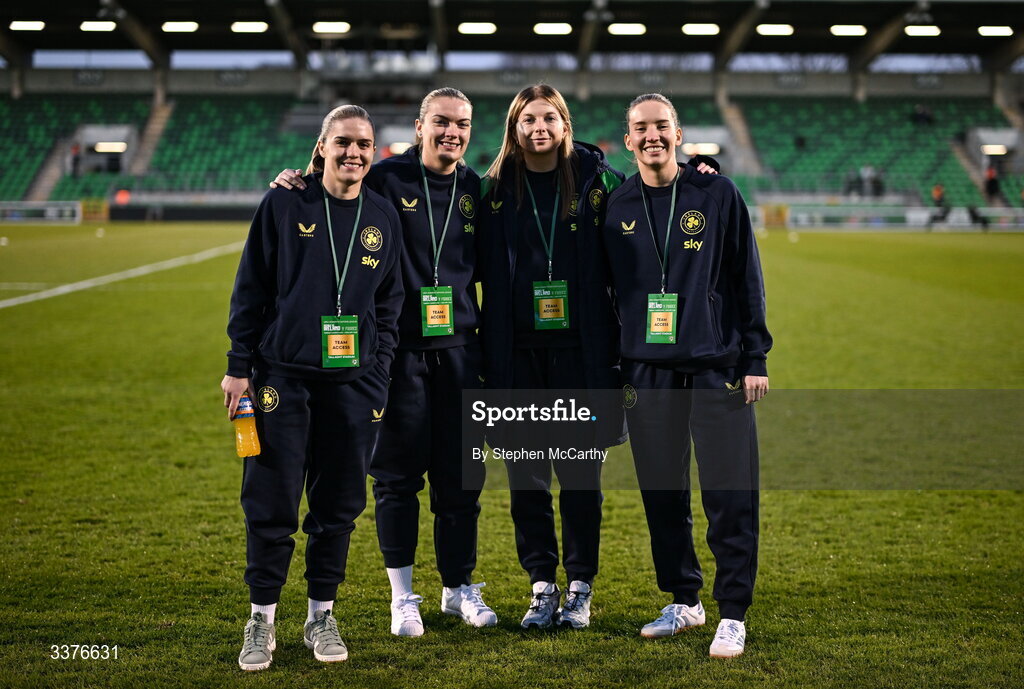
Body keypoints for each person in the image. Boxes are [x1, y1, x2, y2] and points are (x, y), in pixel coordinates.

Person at [271, 88, 496, 638]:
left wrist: (698, 166)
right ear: (420, 126)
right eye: (441, 122)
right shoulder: (385, 176)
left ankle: (457, 587)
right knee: (397, 479)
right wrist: (296, 175)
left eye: (462, 124)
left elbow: (572, 158)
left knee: (462, 479)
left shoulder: (478, 189)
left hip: (462, 354)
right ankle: (403, 597)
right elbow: (334, 180)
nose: (452, 133)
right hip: (398, 355)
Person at [222, 105, 403, 671]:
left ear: (374, 153)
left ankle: (320, 615)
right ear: (322, 146)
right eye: (343, 142)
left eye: (364, 144)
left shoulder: (382, 215)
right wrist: (237, 366)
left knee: (339, 506)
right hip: (283, 379)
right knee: (271, 502)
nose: (354, 153)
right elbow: (251, 288)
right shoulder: (284, 202)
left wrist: (379, 371)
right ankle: (261, 620)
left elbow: (390, 302)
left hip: (354, 386)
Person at [600, 93, 771, 658]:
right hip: (646, 371)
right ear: (627, 140)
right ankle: (684, 599)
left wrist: (755, 358)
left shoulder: (716, 192)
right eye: (640, 128)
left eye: (662, 126)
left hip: (714, 365)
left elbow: (747, 275)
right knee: (663, 495)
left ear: (678, 133)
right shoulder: (616, 204)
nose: (652, 136)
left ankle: (733, 612)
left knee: (730, 492)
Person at [477, 84, 626, 630]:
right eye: (526, 119)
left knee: (581, 475)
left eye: (548, 117)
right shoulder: (492, 190)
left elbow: (658, 198)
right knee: (527, 476)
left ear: (565, 123)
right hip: (515, 358)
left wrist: (702, 166)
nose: (538, 127)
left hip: (581, 357)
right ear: (513, 128)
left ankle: (581, 584)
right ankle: (542, 584)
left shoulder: (600, 181)